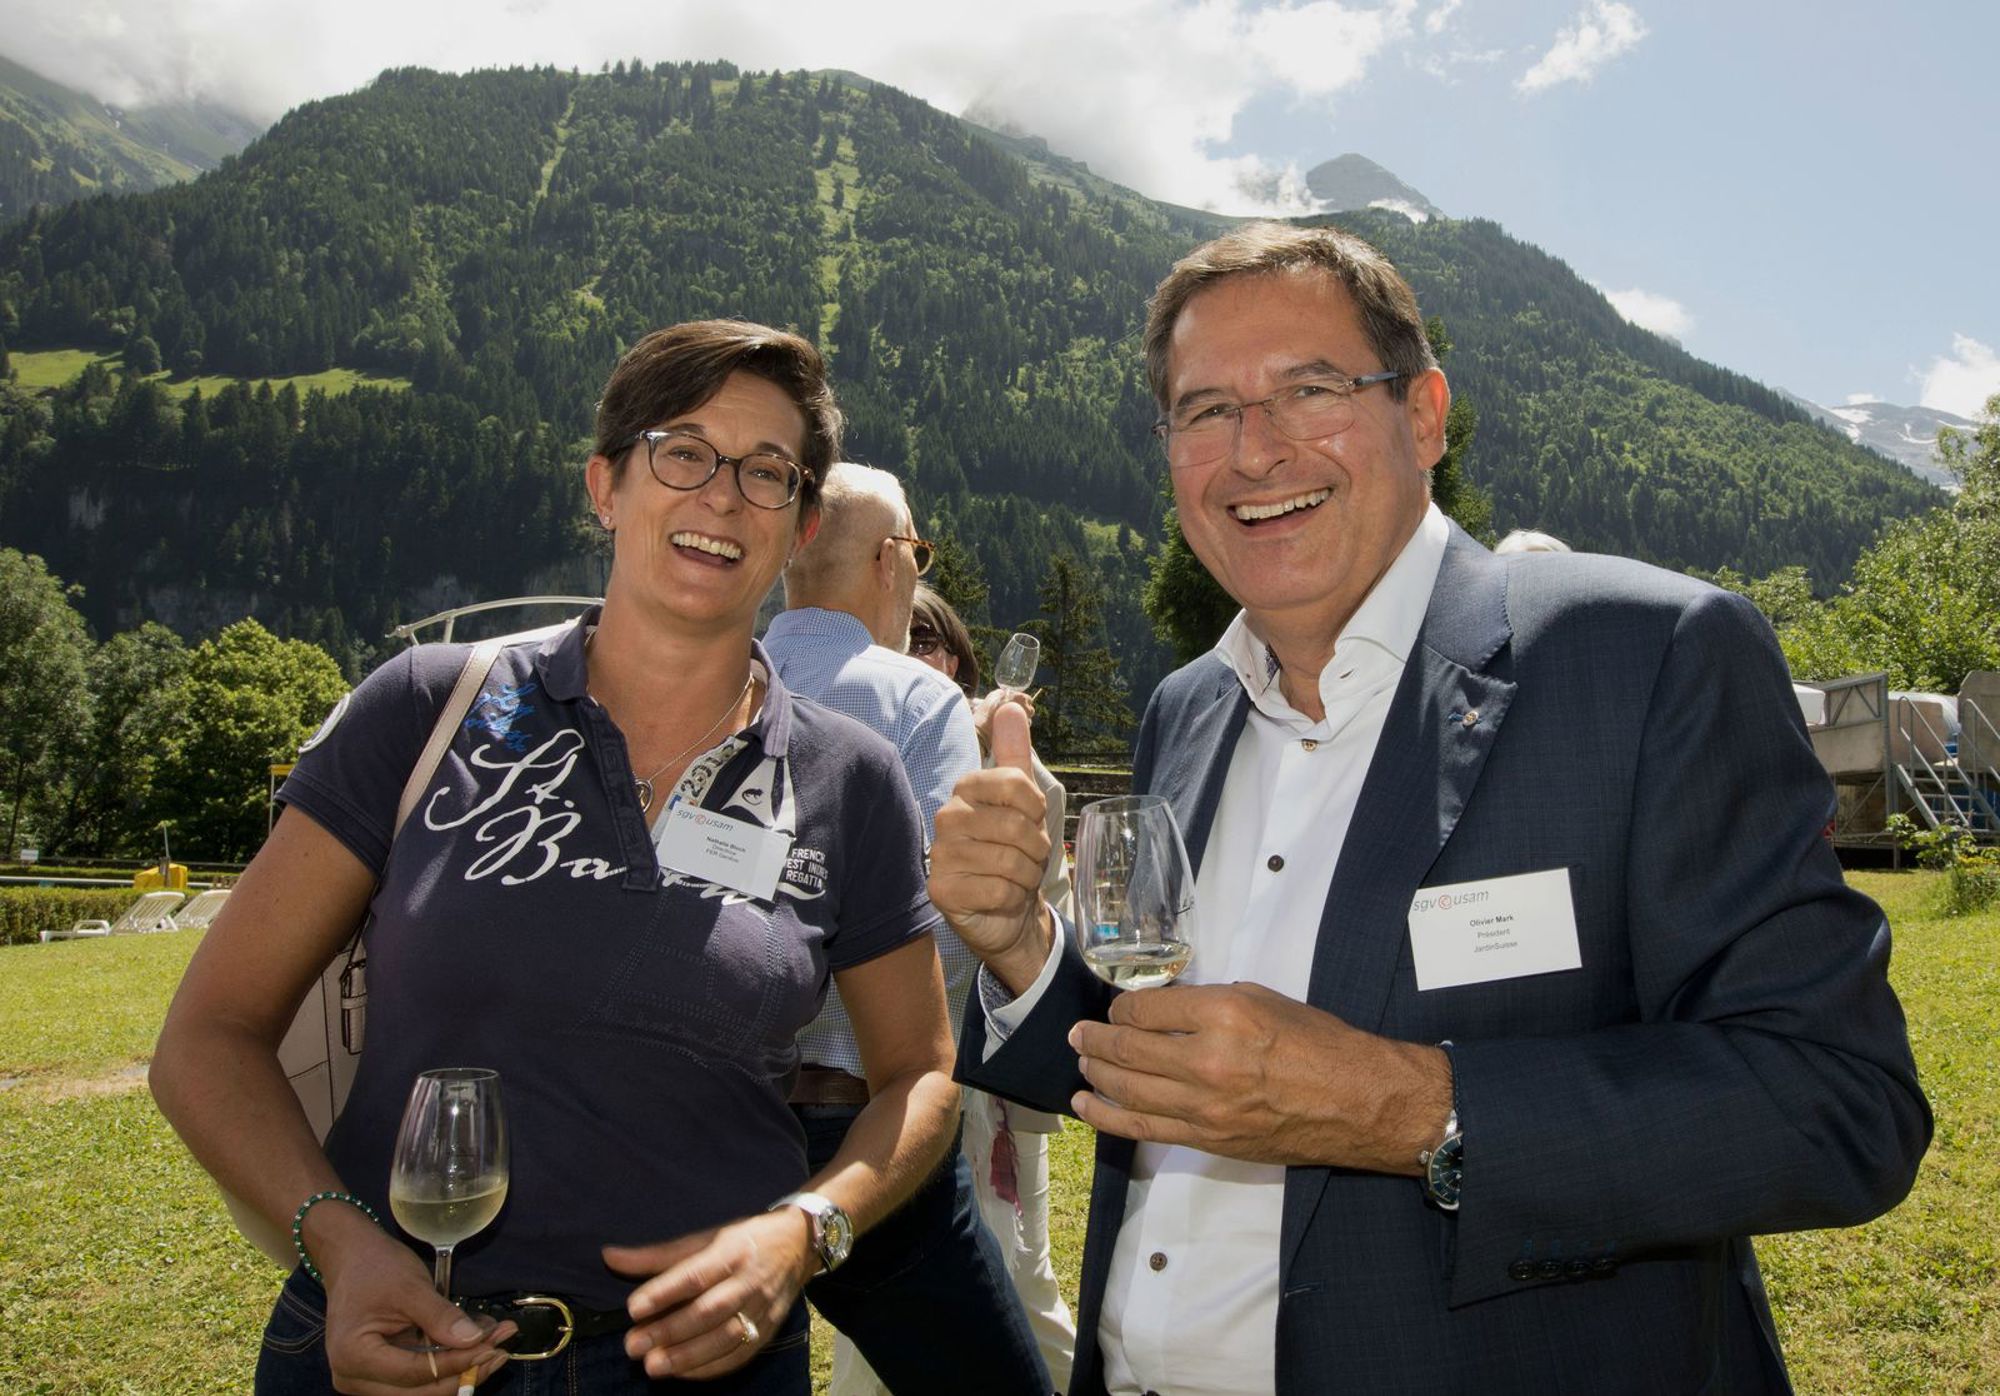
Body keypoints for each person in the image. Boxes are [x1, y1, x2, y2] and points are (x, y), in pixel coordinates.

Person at [928, 222, 1932, 1395]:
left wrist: (1396, 1107)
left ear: (1422, 415)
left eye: (1308, 390)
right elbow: (1160, 1057)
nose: (1253, 450)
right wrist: (1021, 949)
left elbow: (1835, 1103)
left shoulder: (1644, 657)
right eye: (1204, 411)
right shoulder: (1183, 710)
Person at [151, 320, 962, 1395]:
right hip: (393, 1345)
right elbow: (207, 1037)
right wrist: (341, 1245)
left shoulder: (850, 778)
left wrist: (808, 1228)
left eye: (766, 471)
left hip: (702, 1368)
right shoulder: (425, 708)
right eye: (683, 451)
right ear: (605, 485)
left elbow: (920, 1077)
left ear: (801, 524)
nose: (722, 496)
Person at [759, 464, 1050, 1396]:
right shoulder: (916, 700)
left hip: (713, 1120)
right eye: (916, 552)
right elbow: (949, 928)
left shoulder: (720, 678)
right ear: (890, 561)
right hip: (867, 1132)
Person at [907, 584, 1079, 1389]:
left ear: (959, 660)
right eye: (904, 642)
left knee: (1022, 1271)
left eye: (930, 641)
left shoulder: (1003, 765)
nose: (918, 657)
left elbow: (1054, 902)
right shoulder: (872, 747)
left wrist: (1008, 742)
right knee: (903, 1293)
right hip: (909, 1071)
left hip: (998, 1070)